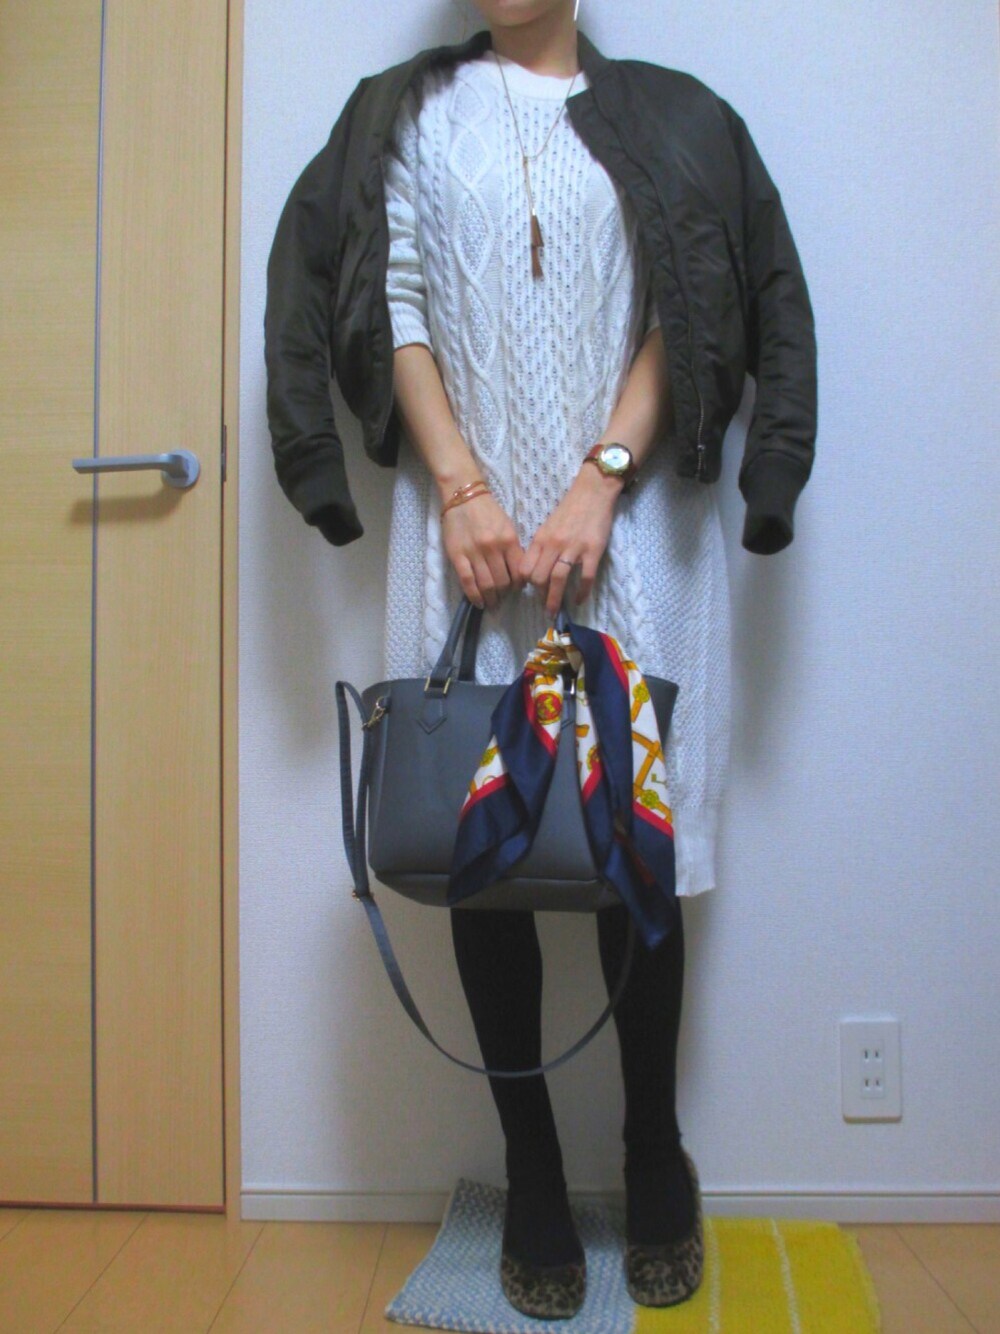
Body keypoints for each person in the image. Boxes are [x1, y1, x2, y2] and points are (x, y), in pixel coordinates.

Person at [264, 0, 817, 1318]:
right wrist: (462, 490)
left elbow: (701, 294)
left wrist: (600, 478)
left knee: (636, 846)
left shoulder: (675, 115)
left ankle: (653, 1149)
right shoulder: (404, 116)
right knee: (483, 845)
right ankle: (532, 1172)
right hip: (466, 539)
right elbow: (386, 299)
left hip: (633, 535)